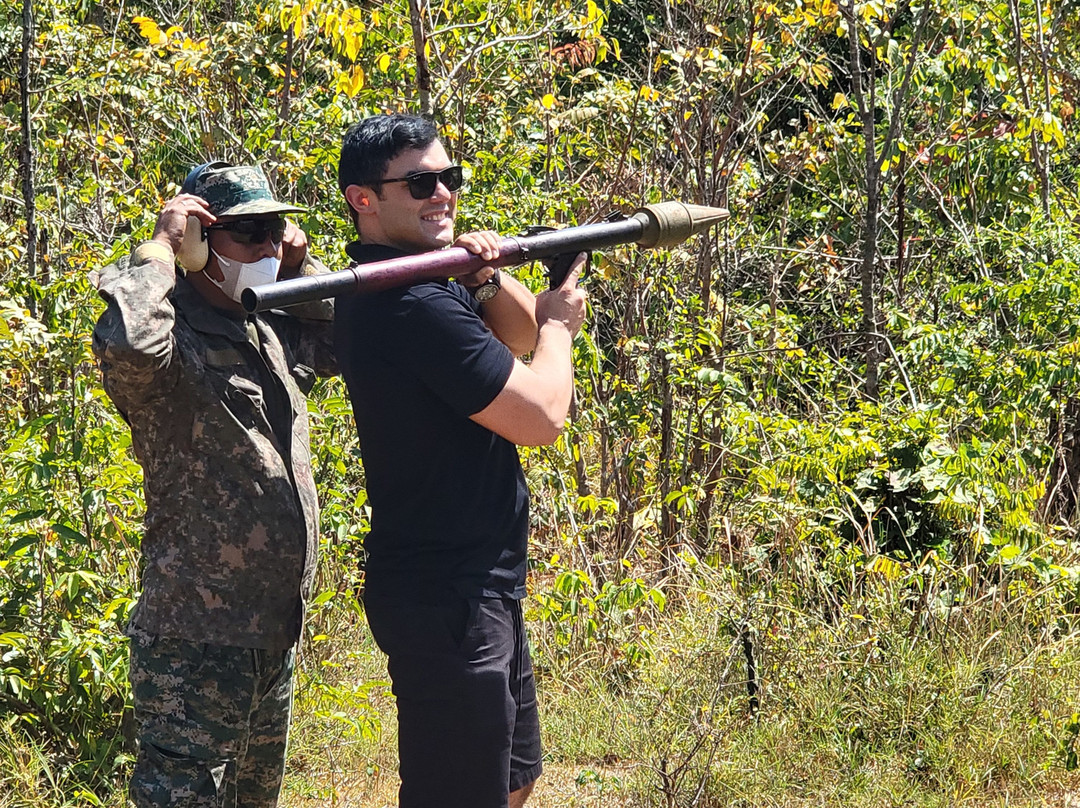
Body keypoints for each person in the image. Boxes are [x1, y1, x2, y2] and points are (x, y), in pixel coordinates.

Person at [333, 113, 588, 808]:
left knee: (512, 780)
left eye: (449, 177)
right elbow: (539, 415)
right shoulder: (408, 303)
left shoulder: (424, 280)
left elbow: (520, 331)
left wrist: (483, 279)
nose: (442, 193)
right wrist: (563, 324)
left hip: (481, 582)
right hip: (447, 594)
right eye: (420, 182)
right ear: (364, 199)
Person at [92, 161, 336, 808]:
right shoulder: (175, 341)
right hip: (196, 643)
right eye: (248, 232)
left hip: (271, 636)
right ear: (201, 244)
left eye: (274, 228)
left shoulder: (267, 327)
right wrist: (159, 251)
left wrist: (297, 273)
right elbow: (130, 347)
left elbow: (342, 339)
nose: (265, 245)